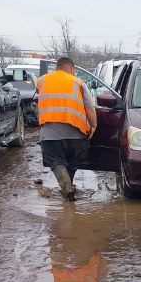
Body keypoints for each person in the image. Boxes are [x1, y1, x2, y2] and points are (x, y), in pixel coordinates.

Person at [36, 57, 97, 200]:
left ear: (57, 67)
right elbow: (89, 107)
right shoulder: (78, 83)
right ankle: (68, 186)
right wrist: (93, 125)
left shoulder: (42, 81)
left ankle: (66, 187)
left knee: (56, 161)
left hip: (50, 135)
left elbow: (36, 102)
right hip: (76, 134)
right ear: (72, 69)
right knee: (73, 161)